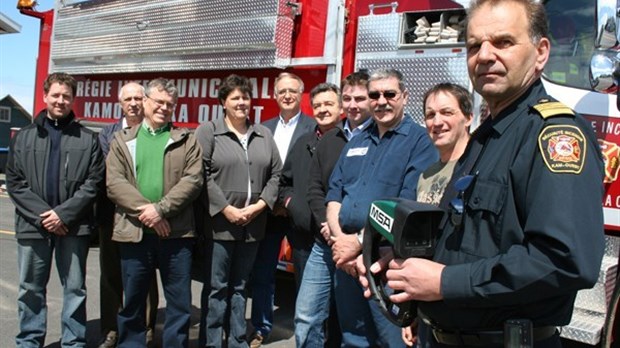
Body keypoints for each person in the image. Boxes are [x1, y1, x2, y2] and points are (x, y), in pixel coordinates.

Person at [359, 1, 605, 347]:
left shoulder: (552, 135)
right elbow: (472, 239)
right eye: (474, 45)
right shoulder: (486, 138)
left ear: (540, 52)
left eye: (503, 42)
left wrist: (446, 282)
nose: (485, 55)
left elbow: (564, 260)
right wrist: (410, 268)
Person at [326, 68, 438, 347]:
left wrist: (358, 243)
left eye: (389, 94)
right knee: (352, 340)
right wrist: (342, 243)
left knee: (392, 342)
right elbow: (334, 192)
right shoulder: (358, 140)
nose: (381, 101)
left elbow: (407, 203)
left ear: (404, 96)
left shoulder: (419, 141)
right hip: (347, 263)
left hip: (385, 264)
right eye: (374, 95)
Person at [6, 72, 105, 347]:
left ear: (73, 99)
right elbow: (15, 182)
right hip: (32, 226)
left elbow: (93, 182)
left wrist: (63, 214)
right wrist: (45, 217)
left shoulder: (88, 139)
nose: (61, 101)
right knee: (30, 289)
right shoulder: (23, 137)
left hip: (73, 227)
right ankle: (29, 340)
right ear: (45, 96)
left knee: (75, 289)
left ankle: (73, 342)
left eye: (66, 96)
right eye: (56, 95)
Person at [106, 78, 203, 348]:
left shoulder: (186, 140)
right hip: (134, 234)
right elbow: (114, 184)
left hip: (176, 235)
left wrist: (160, 211)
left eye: (170, 104)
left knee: (179, 304)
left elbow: (193, 182)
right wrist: (147, 214)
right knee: (134, 301)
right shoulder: (123, 140)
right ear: (146, 102)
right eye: (158, 102)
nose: (164, 107)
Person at [196, 74, 282, 348]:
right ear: (223, 102)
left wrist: (259, 206)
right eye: (235, 98)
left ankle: (236, 340)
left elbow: (277, 174)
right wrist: (225, 209)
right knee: (217, 288)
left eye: (245, 97)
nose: (241, 102)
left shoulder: (263, 134)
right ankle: (210, 342)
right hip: (220, 226)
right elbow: (200, 174)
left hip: (253, 225)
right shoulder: (209, 131)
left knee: (240, 287)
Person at [294, 71, 373, 347]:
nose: (353, 105)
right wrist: (327, 227)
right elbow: (315, 189)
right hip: (325, 241)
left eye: (360, 98)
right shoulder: (330, 139)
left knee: (353, 323)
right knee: (306, 315)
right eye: (348, 98)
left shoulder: (380, 139)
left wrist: (353, 239)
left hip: (362, 246)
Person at [401, 82, 473, 347]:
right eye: (430, 115)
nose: (437, 121)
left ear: (468, 117)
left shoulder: (477, 169)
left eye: (447, 112)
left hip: (462, 306)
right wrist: (415, 310)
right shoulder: (427, 174)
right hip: (429, 308)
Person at [249, 72, 315, 347]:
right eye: (282, 91)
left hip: (299, 213)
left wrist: (291, 204)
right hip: (269, 212)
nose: (287, 95)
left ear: (301, 95)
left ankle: (307, 330)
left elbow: (314, 175)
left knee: (305, 276)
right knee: (263, 273)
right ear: (275, 96)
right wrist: (270, 203)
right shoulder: (263, 128)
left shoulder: (314, 128)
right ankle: (261, 327)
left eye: (292, 91)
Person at [96, 82, 160, 348]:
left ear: (145, 101)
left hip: (147, 215)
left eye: (138, 98)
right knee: (111, 274)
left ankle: (146, 328)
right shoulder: (106, 135)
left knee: (145, 275)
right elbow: (112, 175)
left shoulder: (156, 131)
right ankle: (111, 329)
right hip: (112, 214)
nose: (133, 103)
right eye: (128, 99)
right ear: (120, 103)